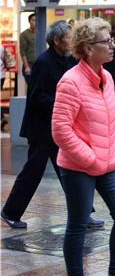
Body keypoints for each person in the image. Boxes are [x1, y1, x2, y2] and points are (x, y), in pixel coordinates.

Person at [1, 21, 103, 229]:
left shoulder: (69, 60)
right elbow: (37, 96)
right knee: (33, 171)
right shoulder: (44, 62)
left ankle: (84, 213)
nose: (71, 41)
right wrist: (62, 104)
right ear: (56, 41)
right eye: (68, 37)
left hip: (60, 127)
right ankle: (10, 212)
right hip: (41, 129)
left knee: (71, 171)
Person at [51, 17, 115, 276]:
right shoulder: (70, 81)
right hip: (79, 166)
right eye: (106, 42)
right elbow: (60, 130)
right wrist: (90, 158)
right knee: (78, 224)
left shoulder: (107, 77)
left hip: (109, 162)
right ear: (88, 48)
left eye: (111, 41)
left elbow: (110, 119)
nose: (112, 46)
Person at [20, 13, 36, 84]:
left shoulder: (40, 33)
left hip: (38, 64)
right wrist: (26, 67)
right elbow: (23, 52)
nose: (35, 22)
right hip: (29, 65)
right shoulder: (24, 34)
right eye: (33, 20)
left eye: (36, 20)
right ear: (29, 21)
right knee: (31, 86)